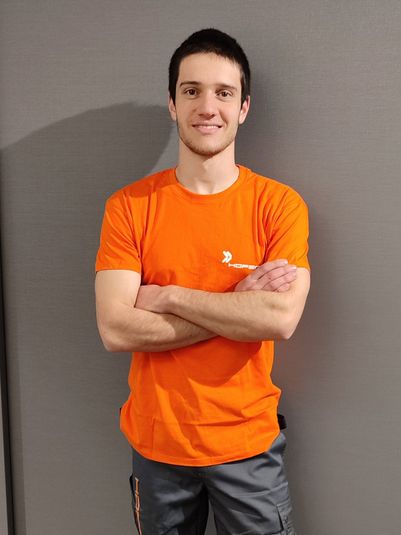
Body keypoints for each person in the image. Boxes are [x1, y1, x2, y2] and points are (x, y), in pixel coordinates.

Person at [95, 27, 310, 535]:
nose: (207, 107)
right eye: (191, 90)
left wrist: (168, 296)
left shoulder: (278, 205)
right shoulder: (129, 207)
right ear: (172, 103)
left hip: (248, 446)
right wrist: (238, 306)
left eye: (224, 92)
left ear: (244, 107)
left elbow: (280, 319)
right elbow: (115, 329)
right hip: (157, 448)